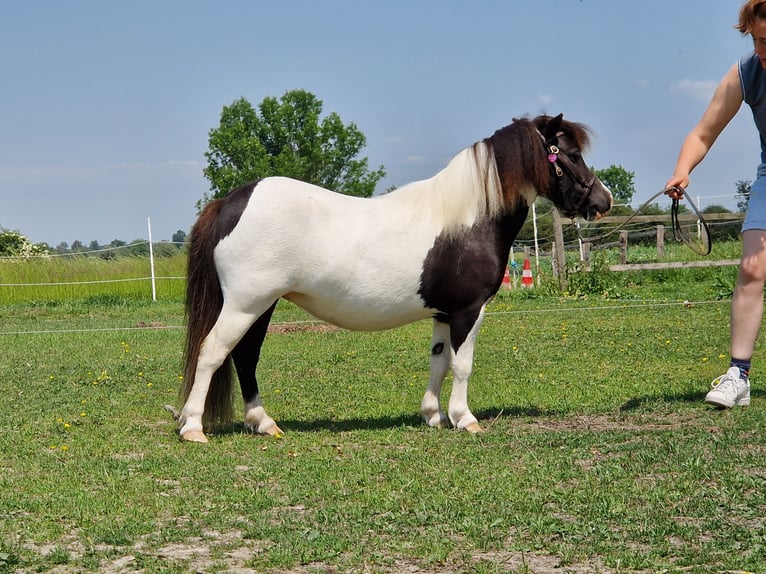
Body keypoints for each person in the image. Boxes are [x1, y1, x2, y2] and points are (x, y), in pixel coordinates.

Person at [666, 0, 766, 408]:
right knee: (751, 268)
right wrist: (682, 169)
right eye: (758, 40)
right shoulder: (746, 72)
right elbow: (703, 133)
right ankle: (737, 375)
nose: (762, 50)